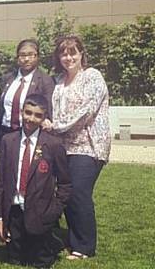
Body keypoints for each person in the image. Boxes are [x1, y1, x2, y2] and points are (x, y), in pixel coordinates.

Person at [43, 35, 110, 261]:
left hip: (88, 146)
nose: (68, 57)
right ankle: (73, 240)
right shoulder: (59, 81)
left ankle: (84, 247)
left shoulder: (92, 77)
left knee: (79, 193)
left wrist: (56, 127)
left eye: (73, 52)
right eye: (63, 53)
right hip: (64, 147)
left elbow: (87, 111)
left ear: (82, 54)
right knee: (66, 193)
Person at [0, 94, 71, 268]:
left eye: (37, 115)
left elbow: (65, 183)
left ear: (44, 118)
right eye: (28, 113)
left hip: (41, 213)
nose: (31, 119)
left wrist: (54, 210)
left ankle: (51, 243)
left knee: (39, 261)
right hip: (14, 210)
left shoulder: (53, 145)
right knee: (15, 260)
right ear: (21, 112)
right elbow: (0, 183)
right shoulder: (8, 141)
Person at [0, 39, 55, 154]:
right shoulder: (8, 79)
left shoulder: (45, 81)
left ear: (37, 56)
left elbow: (47, 112)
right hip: (5, 133)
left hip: (28, 134)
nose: (26, 59)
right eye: (22, 55)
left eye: (31, 55)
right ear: (17, 58)